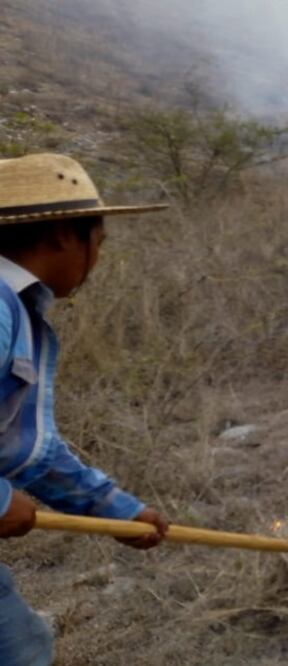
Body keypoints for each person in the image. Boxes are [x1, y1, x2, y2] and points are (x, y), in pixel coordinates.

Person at [0, 153, 170, 664]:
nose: (98, 256)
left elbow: (17, 447)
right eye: (99, 239)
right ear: (62, 236)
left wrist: (114, 509)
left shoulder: (15, 305)